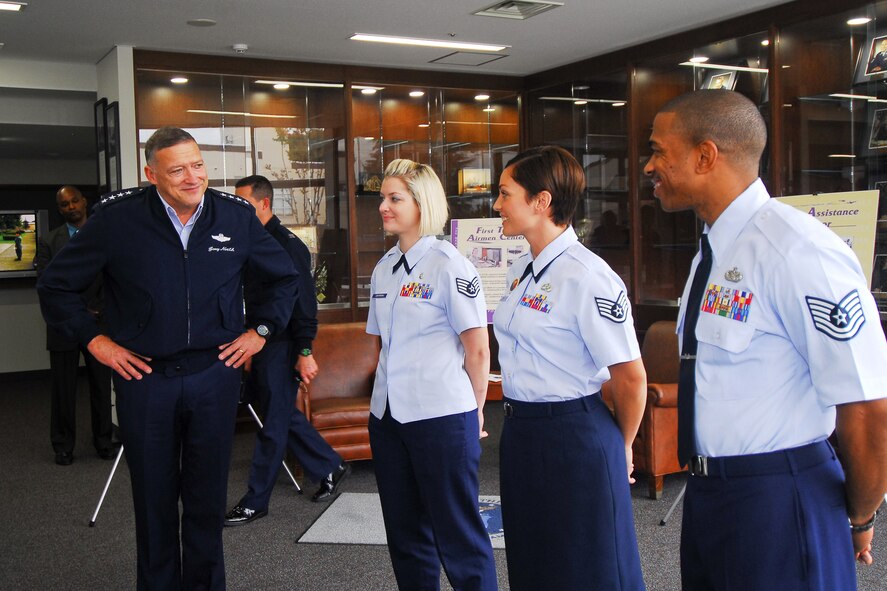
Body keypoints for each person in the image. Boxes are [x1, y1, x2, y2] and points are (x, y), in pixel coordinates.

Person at [644, 89, 887, 590]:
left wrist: (860, 515)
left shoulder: (797, 250)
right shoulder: (711, 253)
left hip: (780, 497)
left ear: (705, 155)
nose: (649, 166)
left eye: (658, 151)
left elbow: (866, 405)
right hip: (711, 495)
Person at [37, 127, 298, 590]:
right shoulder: (116, 220)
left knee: (206, 499)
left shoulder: (234, 217)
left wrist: (260, 332)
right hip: (145, 380)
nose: (192, 177)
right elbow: (56, 286)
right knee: (154, 500)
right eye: (177, 169)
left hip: (213, 375)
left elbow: (283, 279)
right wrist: (97, 342)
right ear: (150, 172)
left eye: (198, 164)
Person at [493, 145, 647, 591]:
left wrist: (624, 445)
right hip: (522, 432)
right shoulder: (523, 268)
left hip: (576, 435)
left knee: (589, 563)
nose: (497, 204)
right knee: (533, 556)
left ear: (541, 202)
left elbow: (630, 377)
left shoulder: (589, 276)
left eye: (506, 194)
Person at [366, 159, 497, 590]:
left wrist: (475, 412)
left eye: (394, 198)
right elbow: (382, 344)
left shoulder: (449, 265)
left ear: (422, 203)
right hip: (388, 419)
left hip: (441, 416)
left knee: (458, 534)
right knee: (405, 535)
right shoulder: (384, 267)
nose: (383, 206)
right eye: (382, 198)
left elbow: (478, 351)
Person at [224, 175, 349, 527]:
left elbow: (305, 304)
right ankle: (330, 465)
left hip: (284, 345)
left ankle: (255, 500)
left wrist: (305, 350)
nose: (239, 211)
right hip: (262, 344)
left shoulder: (287, 245)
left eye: (244, 204)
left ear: (264, 204)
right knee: (279, 413)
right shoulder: (253, 240)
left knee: (273, 425)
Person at [33, 185, 114, 465]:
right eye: (64, 204)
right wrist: (78, 310)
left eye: (74, 201)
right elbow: (46, 282)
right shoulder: (48, 240)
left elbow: (114, 277)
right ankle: (63, 446)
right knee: (63, 389)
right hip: (63, 326)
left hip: (100, 322)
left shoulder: (105, 234)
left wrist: (98, 308)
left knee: (102, 386)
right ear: (60, 209)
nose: (71, 207)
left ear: (84, 201)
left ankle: (104, 442)